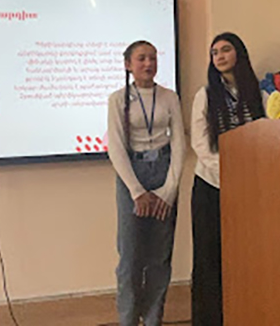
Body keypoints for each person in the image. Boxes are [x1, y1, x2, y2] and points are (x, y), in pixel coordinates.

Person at [106, 40, 186, 326]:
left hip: (164, 171)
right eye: (141, 58)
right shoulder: (118, 99)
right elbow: (115, 147)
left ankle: (153, 320)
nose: (148, 63)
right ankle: (128, 320)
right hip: (132, 175)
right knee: (130, 257)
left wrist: (169, 190)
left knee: (159, 257)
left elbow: (179, 144)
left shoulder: (169, 97)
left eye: (152, 58)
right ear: (128, 65)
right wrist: (137, 191)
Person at [190, 33, 266, 326]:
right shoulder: (206, 94)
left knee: (248, 254)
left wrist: (249, 176)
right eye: (214, 53)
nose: (219, 56)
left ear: (239, 54)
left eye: (225, 50)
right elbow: (200, 144)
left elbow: (268, 133)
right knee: (209, 258)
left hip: (251, 186)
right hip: (211, 184)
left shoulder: (258, 91)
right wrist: (228, 173)